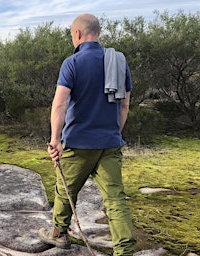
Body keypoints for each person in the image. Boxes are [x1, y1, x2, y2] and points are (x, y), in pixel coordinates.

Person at [38, 14, 136, 255]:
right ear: (98, 33)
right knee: (115, 200)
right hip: (110, 144)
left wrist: (54, 140)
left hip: (78, 144)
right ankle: (125, 251)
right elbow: (124, 106)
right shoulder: (119, 62)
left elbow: (59, 104)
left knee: (65, 190)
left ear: (77, 34)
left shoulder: (72, 63)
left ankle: (60, 234)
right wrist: (112, 134)